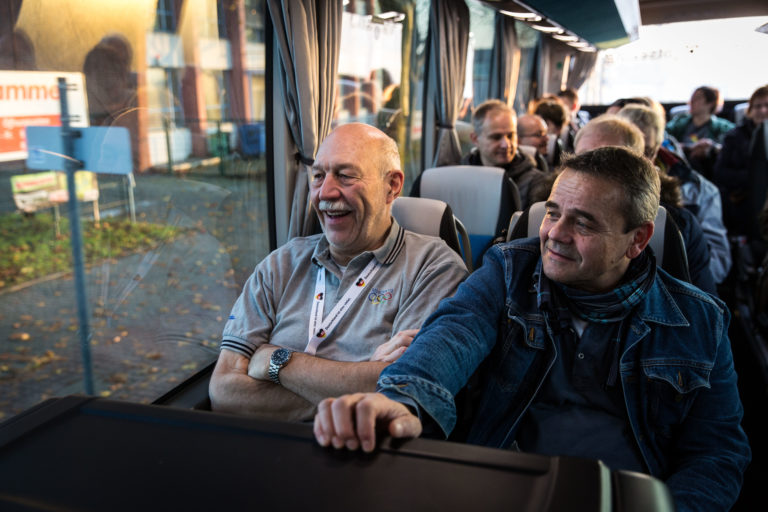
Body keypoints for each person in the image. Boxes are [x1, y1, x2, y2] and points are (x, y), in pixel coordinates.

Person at [313, 147, 750, 512]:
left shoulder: (700, 321)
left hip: (628, 497)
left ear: (637, 239)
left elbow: (715, 454)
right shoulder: (508, 270)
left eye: (583, 223)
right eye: (553, 213)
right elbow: (452, 335)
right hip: (508, 488)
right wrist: (402, 401)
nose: (554, 235)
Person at [209, 123, 468, 420]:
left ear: (392, 186)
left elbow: (403, 392)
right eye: (318, 176)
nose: (325, 193)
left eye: (345, 176)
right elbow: (223, 392)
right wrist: (361, 380)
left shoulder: (433, 268)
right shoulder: (280, 264)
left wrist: (275, 361)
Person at [618, 104, 731, 286]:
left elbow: (717, 264)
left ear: (654, 151)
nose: (632, 160)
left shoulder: (698, 191)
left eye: (642, 150)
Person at [454, 99, 546, 209]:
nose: (506, 145)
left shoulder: (537, 183)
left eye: (510, 136)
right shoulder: (458, 179)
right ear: (475, 139)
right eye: (496, 137)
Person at [714, 85, 768, 244]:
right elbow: (720, 173)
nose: (762, 110)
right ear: (750, 110)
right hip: (742, 200)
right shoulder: (733, 137)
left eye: (767, 105)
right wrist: (755, 178)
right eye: (758, 106)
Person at [667, 86, 734, 180]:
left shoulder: (723, 127)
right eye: (692, 97)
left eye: (697, 98)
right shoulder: (679, 122)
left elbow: (730, 146)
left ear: (710, 103)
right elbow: (663, 137)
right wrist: (685, 147)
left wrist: (712, 147)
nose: (691, 101)